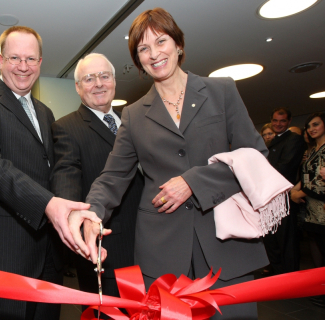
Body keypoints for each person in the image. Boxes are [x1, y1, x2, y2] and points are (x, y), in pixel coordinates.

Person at [68, 8, 269, 320]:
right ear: (138, 61)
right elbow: (112, 177)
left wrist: (193, 182)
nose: (154, 54)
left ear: (178, 44)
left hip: (225, 242)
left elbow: (255, 156)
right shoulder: (134, 114)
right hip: (161, 250)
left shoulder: (221, 91)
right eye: (143, 49)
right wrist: (93, 214)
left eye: (160, 42)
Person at [0, 26, 92, 320]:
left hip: (48, 250)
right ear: (1, 60)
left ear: (40, 63)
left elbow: (52, 170)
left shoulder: (44, 112)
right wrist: (48, 204)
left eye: (31, 59)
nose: (23, 66)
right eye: (15, 57)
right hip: (4, 250)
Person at [51, 53, 144, 298]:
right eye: (89, 79)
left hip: (152, 241)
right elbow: (66, 175)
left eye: (104, 76)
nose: (99, 84)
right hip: (108, 247)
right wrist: (73, 216)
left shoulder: (134, 119)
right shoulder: (66, 127)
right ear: (78, 87)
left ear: (114, 80)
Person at [265, 107, 306, 274]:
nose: (278, 124)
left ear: (289, 121)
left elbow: (285, 168)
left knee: (286, 239)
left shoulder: (294, 140)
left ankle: (289, 277)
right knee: (271, 237)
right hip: (268, 196)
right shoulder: (272, 141)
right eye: (275, 120)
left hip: (283, 196)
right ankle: (277, 272)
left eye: (282, 121)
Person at [290, 113, 325, 307]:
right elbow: (307, 176)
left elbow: (320, 181)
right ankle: (321, 288)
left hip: (322, 205)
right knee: (316, 245)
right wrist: (294, 190)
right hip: (312, 208)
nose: (312, 128)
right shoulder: (313, 150)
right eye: (309, 126)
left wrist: (299, 194)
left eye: (316, 124)